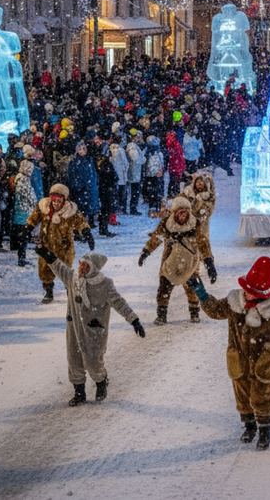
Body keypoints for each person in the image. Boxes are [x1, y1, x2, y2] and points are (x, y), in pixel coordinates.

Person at [187, 257, 270, 450]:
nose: (247, 294)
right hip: (238, 359)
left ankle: (264, 429)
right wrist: (202, 294)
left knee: (261, 395)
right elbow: (215, 311)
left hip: (264, 360)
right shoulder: (234, 302)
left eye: (252, 291)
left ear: (263, 293)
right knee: (242, 394)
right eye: (246, 288)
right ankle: (249, 425)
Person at [35, 246, 145, 406]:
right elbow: (59, 267)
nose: (82, 268)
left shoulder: (105, 284)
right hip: (74, 327)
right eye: (81, 264)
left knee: (93, 361)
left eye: (86, 266)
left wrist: (134, 320)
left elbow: (119, 303)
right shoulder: (72, 278)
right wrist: (47, 254)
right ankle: (79, 393)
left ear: (93, 269)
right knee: (74, 360)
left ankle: (101, 380)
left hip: (95, 329)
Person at [138, 196, 214, 325]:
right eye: (180, 212)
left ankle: (194, 312)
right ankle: (161, 314)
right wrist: (146, 252)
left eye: (185, 212)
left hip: (190, 262)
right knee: (164, 288)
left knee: (192, 288)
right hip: (170, 261)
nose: (182, 216)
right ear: (174, 213)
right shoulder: (166, 224)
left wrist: (209, 262)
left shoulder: (195, 224)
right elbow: (156, 238)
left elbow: (203, 243)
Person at [26, 183, 94, 304]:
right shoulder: (44, 207)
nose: (56, 204)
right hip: (46, 244)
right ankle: (48, 291)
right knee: (45, 268)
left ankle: (70, 290)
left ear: (64, 200)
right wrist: (27, 229)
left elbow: (80, 221)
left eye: (59, 201)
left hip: (64, 246)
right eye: (54, 201)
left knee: (65, 269)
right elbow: (34, 218)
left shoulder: (70, 210)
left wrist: (87, 232)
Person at [11, 159, 38, 267]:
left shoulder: (22, 178)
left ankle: (22, 257)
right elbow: (29, 195)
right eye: (29, 168)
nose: (31, 170)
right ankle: (21, 259)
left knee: (24, 236)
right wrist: (35, 203)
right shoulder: (23, 179)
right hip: (23, 212)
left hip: (23, 212)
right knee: (24, 237)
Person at [142, 135, 165, 216]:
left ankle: (157, 206)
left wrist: (161, 170)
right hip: (151, 174)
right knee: (153, 190)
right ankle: (153, 207)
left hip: (155, 174)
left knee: (156, 190)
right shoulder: (147, 152)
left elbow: (161, 163)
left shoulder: (157, 153)